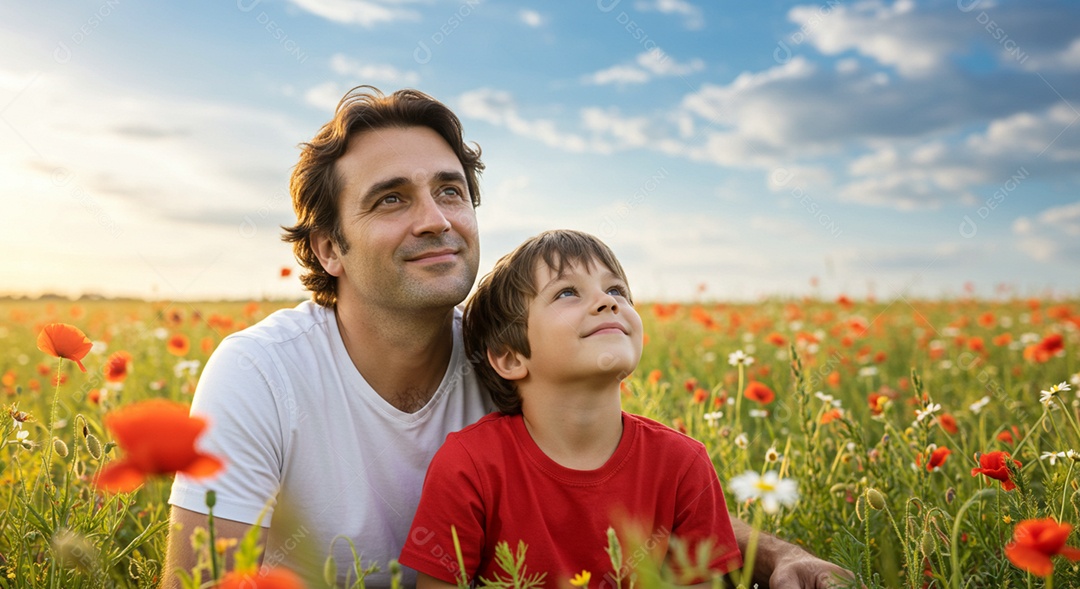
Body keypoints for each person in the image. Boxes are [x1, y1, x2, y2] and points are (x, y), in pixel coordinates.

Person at [163, 85, 853, 589]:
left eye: (451, 190)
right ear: (328, 248)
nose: (436, 218)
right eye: (392, 198)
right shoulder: (259, 374)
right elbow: (195, 582)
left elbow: (632, 486)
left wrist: (778, 557)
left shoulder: (514, 359)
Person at [400, 230, 742, 587]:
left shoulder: (683, 463)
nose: (607, 303)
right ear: (510, 357)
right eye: (567, 292)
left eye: (616, 291)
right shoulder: (469, 465)